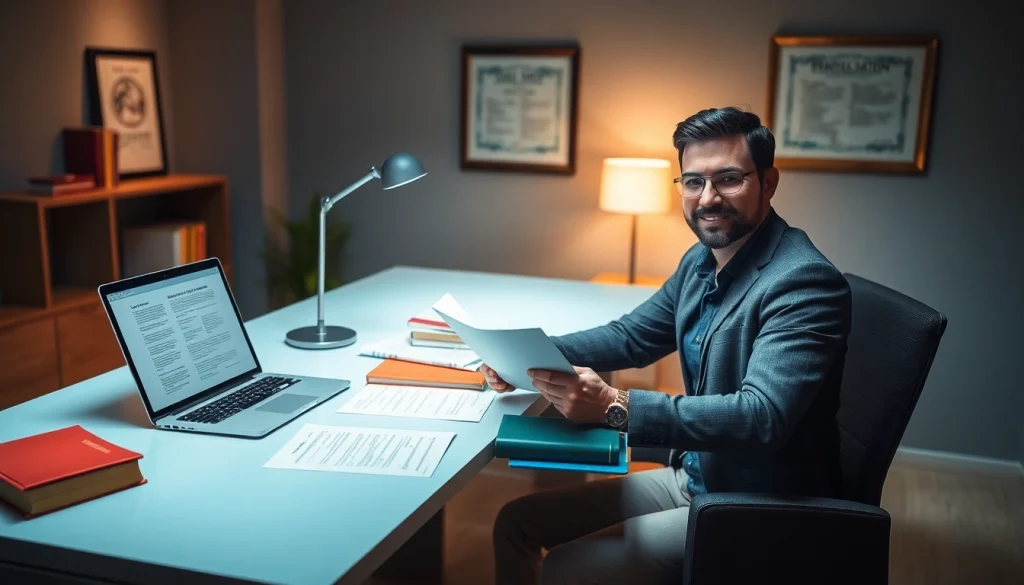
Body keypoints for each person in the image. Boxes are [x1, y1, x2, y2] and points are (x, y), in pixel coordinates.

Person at [482, 106, 852, 585]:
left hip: (759, 504)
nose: (708, 198)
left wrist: (616, 404)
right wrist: (531, 352)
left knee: (568, 568)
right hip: (698, 476)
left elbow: (761, 417)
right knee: (516, 524)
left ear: (769, 181)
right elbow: (632, 337)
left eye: (729, 179)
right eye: (693, 182)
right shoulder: (701, 260)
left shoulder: (803, 281)